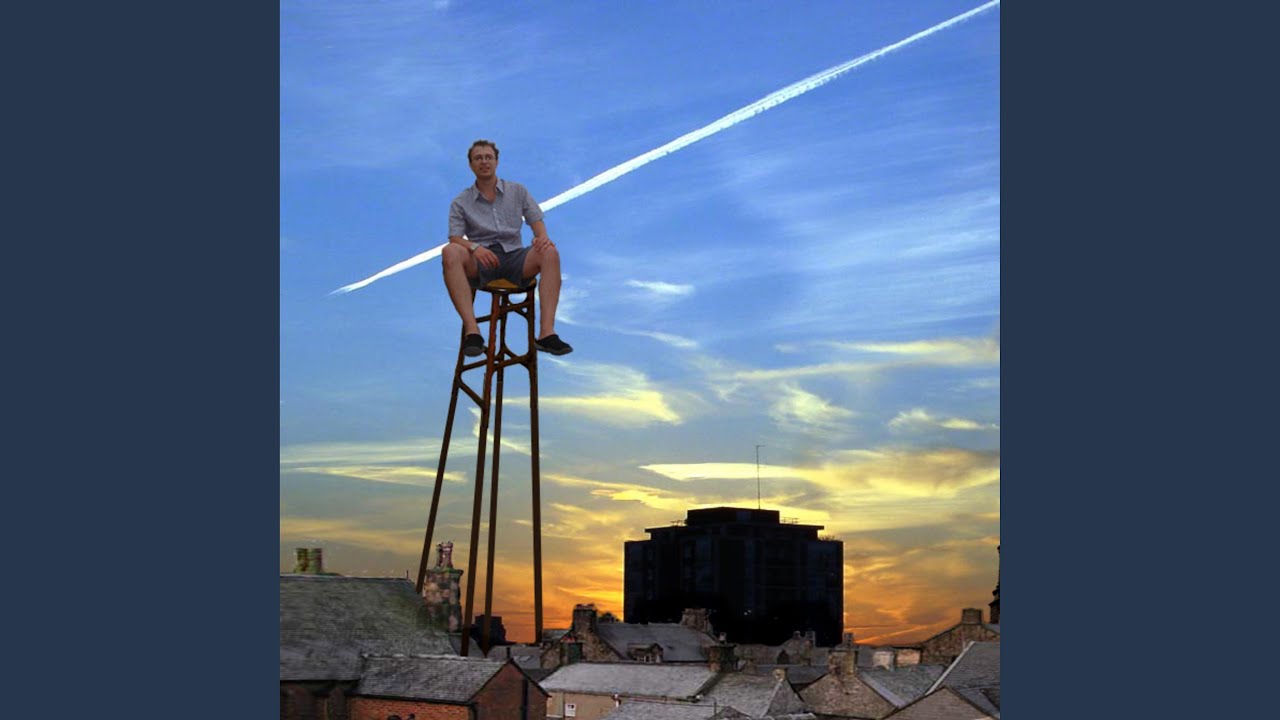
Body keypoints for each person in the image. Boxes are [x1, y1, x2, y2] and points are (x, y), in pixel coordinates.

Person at [443, 139, 572, 357]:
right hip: (481, 260)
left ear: (496, 161)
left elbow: (536, 220)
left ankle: (546, 334)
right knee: (450, 251)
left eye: (488, 157)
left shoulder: (517, 191)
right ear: (471, 165)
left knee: (550, 251)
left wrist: (541, 238)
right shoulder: (461, 201)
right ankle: (473, 332)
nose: (484, 162)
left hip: (515, 256)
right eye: (478, 158)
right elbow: (455, 238)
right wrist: (475, 248)